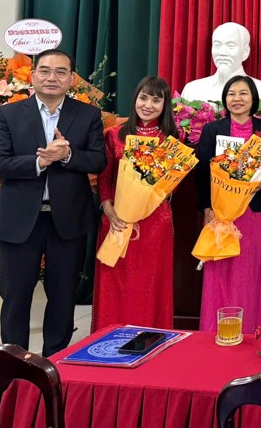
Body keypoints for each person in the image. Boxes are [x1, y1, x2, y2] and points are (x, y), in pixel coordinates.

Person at [0, 49, 106, 356]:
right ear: (33, 75)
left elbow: (98, 159)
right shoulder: (8, 114)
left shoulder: (87, 114)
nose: (52, 77)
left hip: (67, 220)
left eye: (61, 72)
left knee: (63, 295)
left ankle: (56, 362)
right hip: (19, 218)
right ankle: (15, 363)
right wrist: (40, 162)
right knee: (14, 296)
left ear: (71, 79)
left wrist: (67, 155)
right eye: (45, 71)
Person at [92, 76, 179, 332]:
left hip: (154, 220)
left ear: (165, 105)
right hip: (117, 218)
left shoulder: (173, 137)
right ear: (135, 100)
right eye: (144, 97)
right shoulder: (115, 135)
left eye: (156, 99)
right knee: (115, 280)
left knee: (150, 282)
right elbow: (105, 177)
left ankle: (152, 338)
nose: (148, 105)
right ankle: (110, 337)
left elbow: (173, 181)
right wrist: (108, 208)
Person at [196, 76, 261, 333]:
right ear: (225, 99)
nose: (237, 99)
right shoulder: (213, 129)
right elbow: (201, 171)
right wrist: (206, 209)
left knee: (253, 271)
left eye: (243, 93)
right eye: (232, 93)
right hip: (223, 214)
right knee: (222, 271)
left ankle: (256, 330)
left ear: (253, 98)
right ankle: (217, 328)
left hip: (255, 212)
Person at [181, 22, 261, 106]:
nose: (222, 52)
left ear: (245, 52)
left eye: (230, 46)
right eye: (217, 45)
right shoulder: (192, 90)